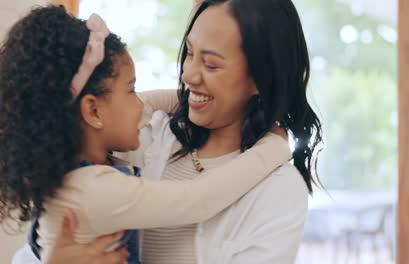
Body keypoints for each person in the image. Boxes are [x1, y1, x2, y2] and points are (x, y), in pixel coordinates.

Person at [0, 5, 292, 264]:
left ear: (259, 78)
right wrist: (273, 147)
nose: (189, 75)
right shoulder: (99, 185)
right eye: (131, 90)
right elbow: (199, 199)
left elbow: (145, 104)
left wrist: (199, 98)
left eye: (211, 64)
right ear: (93, 112)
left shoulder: (74, 164)